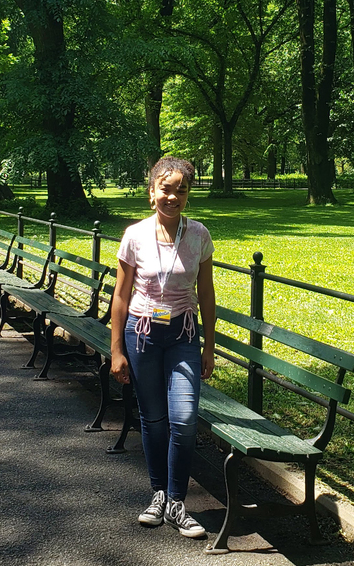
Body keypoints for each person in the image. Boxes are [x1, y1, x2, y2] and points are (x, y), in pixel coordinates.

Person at [111, 157, 216, 539]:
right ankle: (159, 495)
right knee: (153, 420)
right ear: (152, 191)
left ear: (189, 193)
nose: (172, 196)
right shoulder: (134, 235)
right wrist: (116, 349)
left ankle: (177, 501)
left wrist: (209, 346)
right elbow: (121, 295)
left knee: (184, 420)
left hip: (184, 336)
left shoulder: (199, 235)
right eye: (165, 188)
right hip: (142, 335)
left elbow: (205, 292)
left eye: (181, 190)